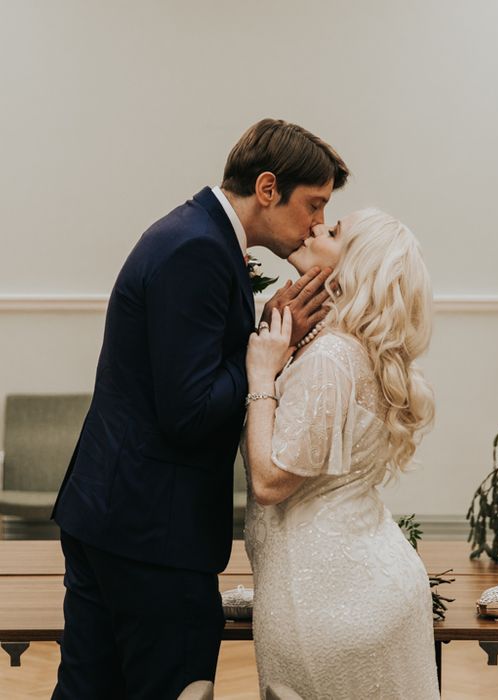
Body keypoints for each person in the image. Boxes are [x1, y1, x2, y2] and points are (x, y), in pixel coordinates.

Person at [50, 118, 349, 699]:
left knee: (89, 689)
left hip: (112, 512)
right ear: (268, 188)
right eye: (313, 205)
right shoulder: (198, 250)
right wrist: (271, 350)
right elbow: (186, 413)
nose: (317, 223)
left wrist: (261, 334)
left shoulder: (193, 233)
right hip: (152, 530)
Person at [243, 208, 440, 699]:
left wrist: (262, 376)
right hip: (365, 583)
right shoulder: (355, 350)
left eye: (332, 233)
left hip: (327, 598)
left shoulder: (332, 357)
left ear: (354, 266)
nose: (314, 227)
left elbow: (269, 482)